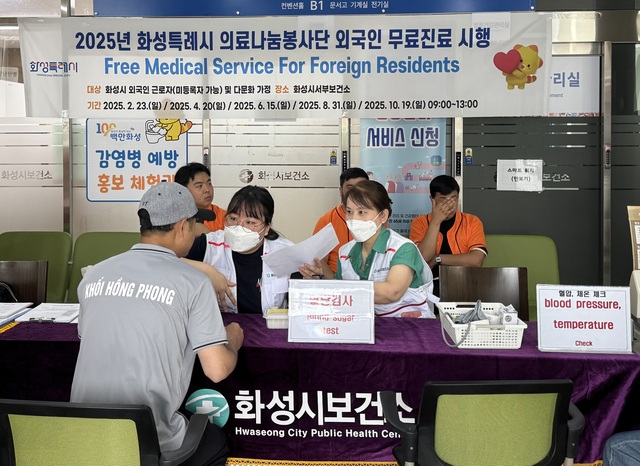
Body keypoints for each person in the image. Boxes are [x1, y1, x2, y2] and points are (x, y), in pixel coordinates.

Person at [70, 182, 244, 466]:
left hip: (82, 435)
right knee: (216, 441)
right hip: (148, 441)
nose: (197, 232)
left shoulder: (94, 275)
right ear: (182, 227)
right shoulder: (193, 283)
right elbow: (217, 370)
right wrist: (232, 338)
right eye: (195, 224)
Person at [300, 180, 435, 318]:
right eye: (349, 211)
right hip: (364, 323)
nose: (354, 218)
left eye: (362, 212)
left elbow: (392, 292)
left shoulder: (403, 248)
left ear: (383, 216)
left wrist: (339, 288)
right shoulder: (345, 252)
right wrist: (321, 278)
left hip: (408, 325)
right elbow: (341, 294)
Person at [187, 185, 294, 315]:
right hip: (223, 324)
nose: (239, 227)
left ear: (266, 228)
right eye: (233, 219)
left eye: (250, 222)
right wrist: (207, 270)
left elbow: (303, 301)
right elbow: (167, 260)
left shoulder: (286, 252)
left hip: (270, 325)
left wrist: (311, 279)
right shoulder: (209, 245)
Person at [409, 174, 487, 295]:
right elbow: (422, 259)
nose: (450, 204)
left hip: (464, 284)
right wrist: (435, 222)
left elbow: (476, 260)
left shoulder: (472, 222)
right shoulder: (419, 223)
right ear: (432, 200)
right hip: (428, 286)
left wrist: (438, 258)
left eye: (453, 198)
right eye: (444, 199)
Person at [313, 167, 369, 274]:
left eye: (361, 186)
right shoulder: (327, 221)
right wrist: (333, 281)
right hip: (334, 279)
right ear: (341, 191)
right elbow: (319, 261)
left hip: (371, 280)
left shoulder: (376, 218)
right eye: (350, 188)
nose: (356, 192)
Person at [176, 162, 226, 233]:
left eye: (209, 184)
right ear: (183, 190)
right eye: (199, 186)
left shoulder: (223, 217)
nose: (207, 190)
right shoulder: (174, 218)